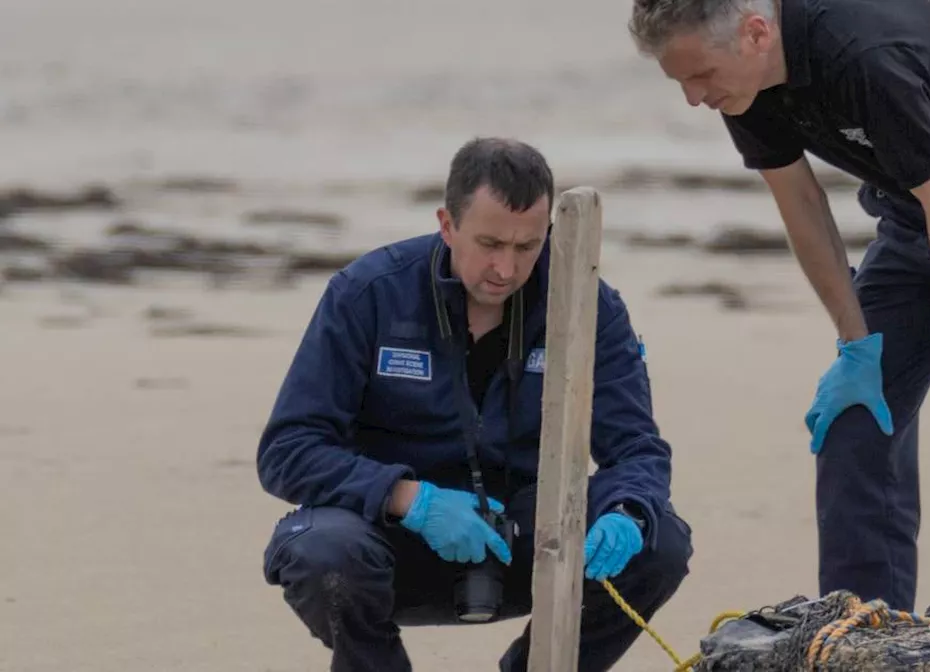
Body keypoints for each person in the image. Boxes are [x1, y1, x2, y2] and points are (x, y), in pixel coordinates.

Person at [627, 0, 930, 629]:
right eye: (680, 81)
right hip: (915, 210)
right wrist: (855, 345)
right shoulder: (743, 83)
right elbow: (802, 205)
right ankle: (863, 636)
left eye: (700, 76)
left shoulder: (863, 52)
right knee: (854, 421)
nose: (693, 98)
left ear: (756, 33)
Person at [255, 137, 693, 672]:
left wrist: (627, 511)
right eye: (489, 243)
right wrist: (409, 498)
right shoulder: (367, 293)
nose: (505, 270)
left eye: (526, 247)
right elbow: (287, 450)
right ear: (447, 224)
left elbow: (638, 451)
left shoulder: (588, 304)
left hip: (530, 537)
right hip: (393, 539)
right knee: (319, 551)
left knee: (659, 538)